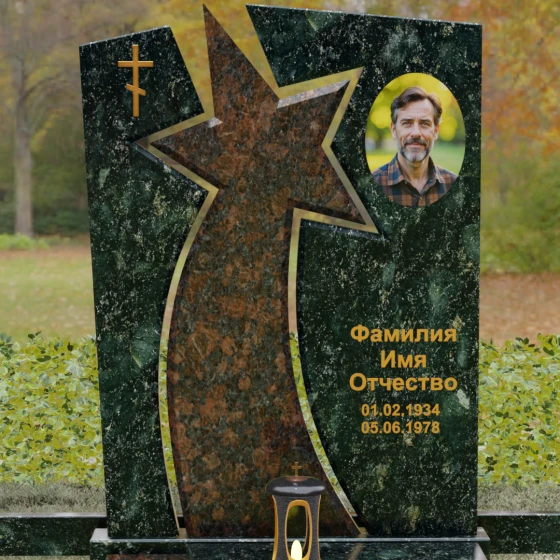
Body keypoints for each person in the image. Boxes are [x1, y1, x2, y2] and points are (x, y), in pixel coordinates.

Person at [372, 86, 457, 207]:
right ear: (393, 130)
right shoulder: (371, 185)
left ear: (436, 131)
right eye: (407, 123)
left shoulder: (455, 185)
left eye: (424, 123)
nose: (416, 133)